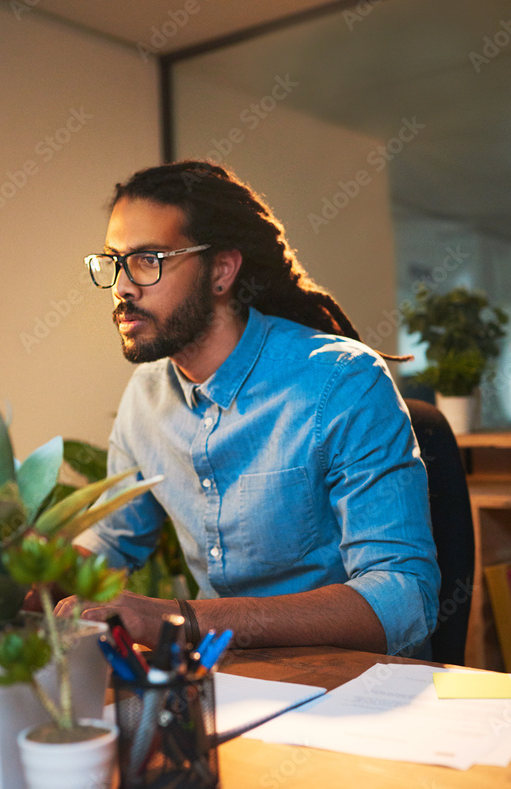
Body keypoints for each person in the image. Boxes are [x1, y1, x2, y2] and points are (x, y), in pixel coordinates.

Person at [62, 160, 439, 656]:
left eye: (147, 260)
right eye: (114, 261)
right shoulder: (146, 396)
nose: (123, 287)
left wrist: (184, 619)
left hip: (347, 686)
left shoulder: (343, 381)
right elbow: (110, 544)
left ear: (220, 270)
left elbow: (404, 595)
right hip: (221, 679)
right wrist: (12, 583)